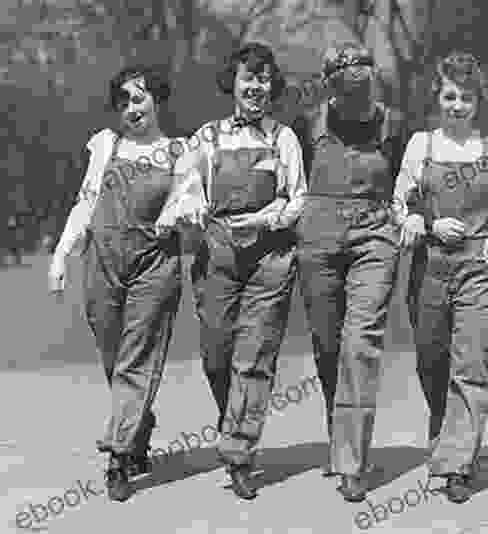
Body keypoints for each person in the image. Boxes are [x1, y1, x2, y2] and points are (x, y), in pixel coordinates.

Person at [47, 65, 199, 501]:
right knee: (114, 355)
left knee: (137, 357)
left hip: (154, 263)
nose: (131, 109)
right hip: (102, 261)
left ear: (157, 101)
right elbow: (86, 202)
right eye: (124, 102)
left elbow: (191, 195)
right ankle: (138, 423)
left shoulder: (179, 150)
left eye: (138, 98)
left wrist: (176, 210)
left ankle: (118, 455)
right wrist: (61, 254)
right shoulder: (106, 146)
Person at [175, 42, 306, 500]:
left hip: (270, 258)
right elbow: (187, 186)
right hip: (218, 258)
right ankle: (236, 419)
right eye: (249, 78)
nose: (257, 87)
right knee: (216, 355)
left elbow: (298, 199)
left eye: (265, 79)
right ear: (232, 83)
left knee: (253, 359)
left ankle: (240, 454)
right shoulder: (206, 138)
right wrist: (191, 206)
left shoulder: (283, 138)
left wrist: (267, 218)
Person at [394, 52, 488, 503]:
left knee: (471, 363)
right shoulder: (421, 145)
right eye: (449, 96)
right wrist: (423, 220)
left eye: (465, 97)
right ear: (437, 97)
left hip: (479, 268)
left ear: (478, 101)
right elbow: (400, 202)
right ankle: (444, 427)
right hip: (430, 268)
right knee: (432, 360)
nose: (456, 105)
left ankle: (458, 462)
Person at [295, 42, 404, 502]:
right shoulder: (309, 123)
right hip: (318, 238)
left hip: (374, 237)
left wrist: (404, 217)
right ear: (330, 88)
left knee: (360, 344)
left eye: (362, 85)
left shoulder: (392, 124)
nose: (353, 98)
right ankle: (338, 434)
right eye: (343, 88)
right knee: (327, 345)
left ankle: (352, 461)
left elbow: (403, 180)